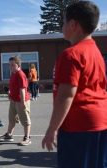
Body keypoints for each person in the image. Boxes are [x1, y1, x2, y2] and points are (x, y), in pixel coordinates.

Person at [42, 1, 107, 167]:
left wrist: (52, 129)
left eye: (63, 22)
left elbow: (66, 95)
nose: (62, 26)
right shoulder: (96, 52)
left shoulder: (71, 54)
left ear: (73, 24)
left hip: (78, 126)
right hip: (100, 122)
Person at [0, 56, 32, 146]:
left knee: (25, 120)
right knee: (11, 119)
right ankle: (9, 135)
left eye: (12, 65)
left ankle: (27, 138)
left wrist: (23, 102)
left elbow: (22, 89)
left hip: (21, 101)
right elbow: (13, 86)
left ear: (18, 65)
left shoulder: (20, 74)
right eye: (9, 65)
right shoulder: (13, 73)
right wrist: (10, 92)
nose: (10, 67)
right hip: (14, 100)